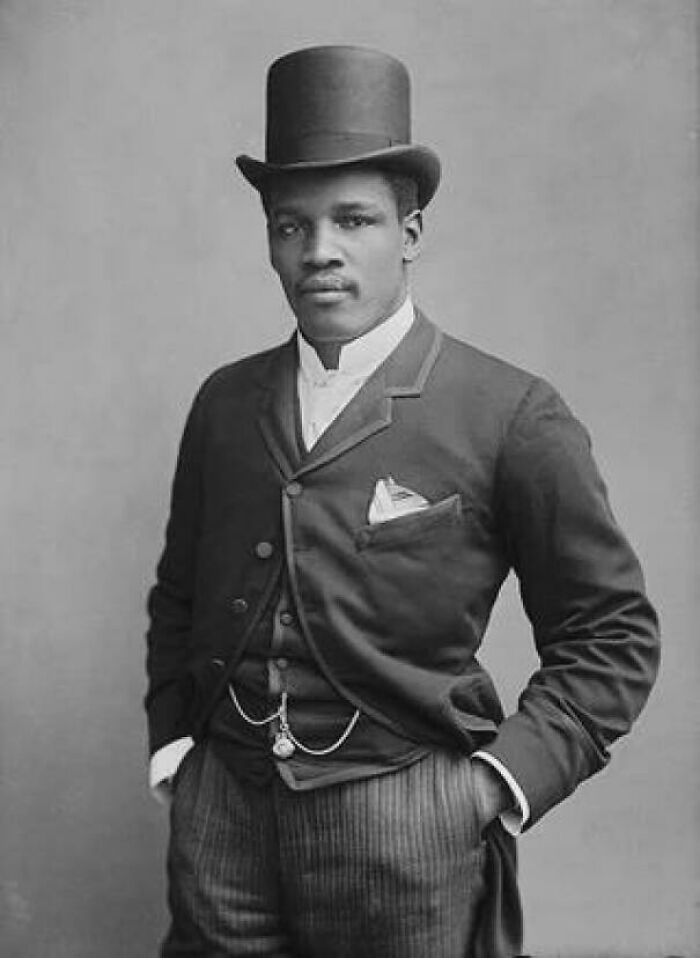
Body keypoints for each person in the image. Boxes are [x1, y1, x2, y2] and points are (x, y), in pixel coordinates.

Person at [144, 45, 660, 958]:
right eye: (292, 226)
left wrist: (495, 783)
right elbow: (179, 594)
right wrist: (177, 749)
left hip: (406, 831)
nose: (320, 251)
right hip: (222, 818)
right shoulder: (225, 404)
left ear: (410, 232)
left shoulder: (510, 413)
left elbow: (612, 634)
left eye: (354, 220)